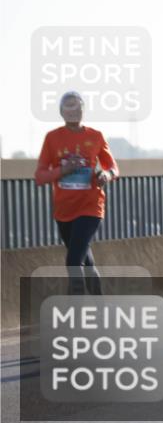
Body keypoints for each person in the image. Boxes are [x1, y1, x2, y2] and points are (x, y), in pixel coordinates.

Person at [34, 91, 118, 295]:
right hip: (64, 211)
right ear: (61, 112)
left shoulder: (96, 136)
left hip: (91, 207)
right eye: (68, 107)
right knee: (86, 263)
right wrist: (64, 170)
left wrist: (106, 175)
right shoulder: (52, 138)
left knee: (73, 262)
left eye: (77, 106)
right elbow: (40, 177)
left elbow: (113, 168)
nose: (73, 110)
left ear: (83, 109)